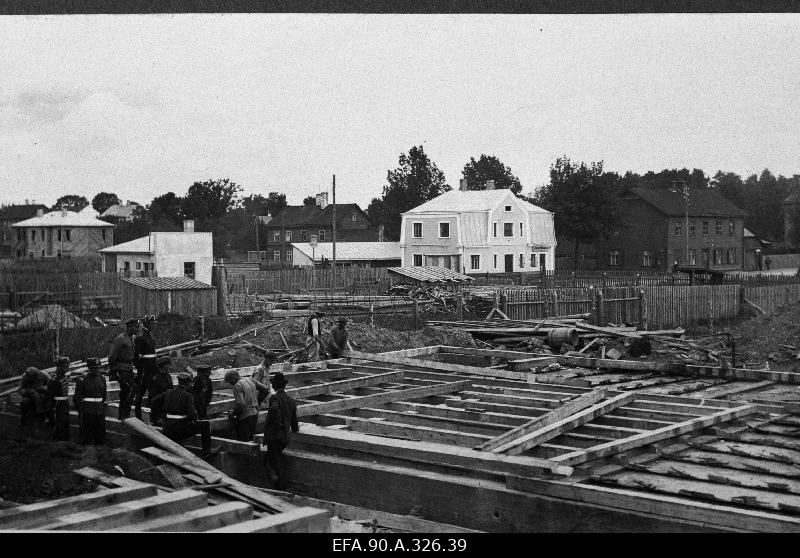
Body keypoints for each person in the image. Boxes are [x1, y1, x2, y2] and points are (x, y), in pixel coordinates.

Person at [150, 372, 213, 458]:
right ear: (188, 383)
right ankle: (207, 453)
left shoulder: (168, 392)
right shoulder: (188, 395)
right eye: (190, 383)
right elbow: (191, 415)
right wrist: (194, 420)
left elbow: (154, 401)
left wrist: (157, 417)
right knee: (205, 425)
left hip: (167, 428)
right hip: (180, 430)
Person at [263, 372, 298, 490]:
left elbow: (273, 414)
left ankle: (279, 486)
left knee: (274, 461)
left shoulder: (274, 398)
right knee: (279, 460)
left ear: (274, 386)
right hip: (285, 437)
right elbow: (294, 424)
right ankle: (278, 483)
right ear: (284, 386)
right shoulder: (291, 401)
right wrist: (294, 430)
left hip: (275, 436)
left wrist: (272, 429)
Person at [224, 370, 268, 442]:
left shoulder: (237, 386)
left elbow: (241, 404)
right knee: (251, 439)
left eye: (230, 380)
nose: (230, 383)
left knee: (244, 442)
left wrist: (233, 414)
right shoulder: (250, 379)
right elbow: (265, 389)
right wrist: (257, 402)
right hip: (255, 414)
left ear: (234, 377)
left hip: (245, 416)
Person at [109, 318, 139, 420]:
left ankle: (125, 414)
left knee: (128, 391)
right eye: (135, 326)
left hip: (129, 369)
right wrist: (114, 371)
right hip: (122, 369)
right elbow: (112, 356)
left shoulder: (132, 338)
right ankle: (123, 415)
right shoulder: (121, 338)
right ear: (129, 326)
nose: (137, 328)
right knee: (129, 389)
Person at [73, 358, 107, 445]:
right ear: (89, 368)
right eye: (94, 368)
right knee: (87, 437)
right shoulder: (82, 380)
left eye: (98, 367)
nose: (96, 369)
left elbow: (104, 396)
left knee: (100, 436)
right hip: (88, 412)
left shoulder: (102, 379)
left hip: (100, 411)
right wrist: (81, 410)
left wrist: (101, 408)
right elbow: (77, 398)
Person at [133, 315, 158, 420]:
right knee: (140, 393)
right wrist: (141, 368)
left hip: (152, 369)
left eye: (154, 323)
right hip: (144, 371)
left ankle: (153, 417)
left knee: (153, 393)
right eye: (151, 324)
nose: (153, 325)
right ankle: (138, 416)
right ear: (146, 324)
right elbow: (136, 357)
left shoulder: (151, 338)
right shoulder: (140, 338)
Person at [45, 356, 72, 441]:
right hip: (58, 405)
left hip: (64, 403)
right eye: (65, 366)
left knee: (66, 424)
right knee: (59, 426)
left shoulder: (63, 376)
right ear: (59, 367)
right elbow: (50, 398)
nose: (67, 368)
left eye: (68, 366)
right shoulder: (54, 380)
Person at [147, 355, 174, 422]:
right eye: (168, 365)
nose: (170, 367)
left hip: (167, 408)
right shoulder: (155, 378)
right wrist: (158, 416)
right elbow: (153, 398)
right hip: (158, 410)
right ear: (164, 366)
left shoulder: (168, 376)